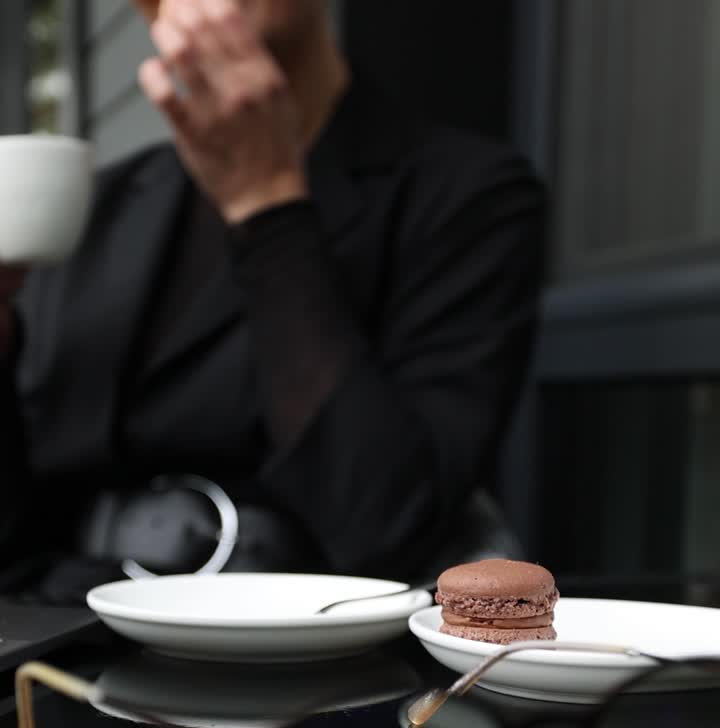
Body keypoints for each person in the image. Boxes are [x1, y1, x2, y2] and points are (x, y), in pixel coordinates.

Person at [0, 0, 543, 602]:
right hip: (57, 632)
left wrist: (268, 205)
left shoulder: (464, 195)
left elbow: (385, 523)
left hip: (315, 640)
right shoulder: (94, 206)